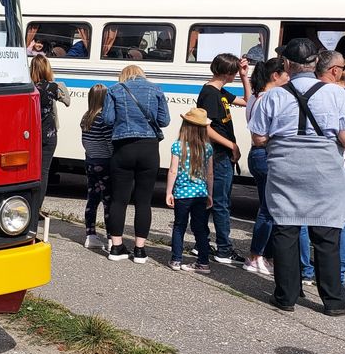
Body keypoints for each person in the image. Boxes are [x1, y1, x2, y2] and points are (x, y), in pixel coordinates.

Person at [248, 38, 345, 316]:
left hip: (286, 171)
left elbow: (259, 138)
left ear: (287, 63)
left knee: (285, 231)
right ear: (314, 63)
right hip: (325, 174)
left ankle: (286, 297)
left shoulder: (272, 96)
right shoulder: (336, 94)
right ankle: (334, 301)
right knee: (326, 236)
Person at [102, 64, 171, 262]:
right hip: (149, 149)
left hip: (123, 149)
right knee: (143, 201)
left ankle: (116, 247)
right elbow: (164, 120)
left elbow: (108, 120)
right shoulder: (156, 89)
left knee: (119, 200)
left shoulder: (115, 90)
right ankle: (140, 250)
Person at [196, 53, 251, 265]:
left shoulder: (219, 91)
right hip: (217, 154)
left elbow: (247, 101)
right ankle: (224, 249)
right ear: (227, 73)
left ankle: (202, 242)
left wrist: (246, 77)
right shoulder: (210, 93)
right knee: (220, 203)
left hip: (222, 155)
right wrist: (231, 145)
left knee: (214, 201)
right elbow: (205, 127)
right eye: (236, 73)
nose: (237, 76)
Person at [245, 57, 289, 275]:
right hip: (264, 154)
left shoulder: (255, 97)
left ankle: (263, 255)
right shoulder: (267, 98)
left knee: (268, 206)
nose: (289, 78)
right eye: (286, 74)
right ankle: (255, 255)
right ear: (275, 76)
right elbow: (259, 136)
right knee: (268, 209)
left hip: (258, 156)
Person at [165, 107, 214, 272]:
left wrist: (168, 192)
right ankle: (203, 262)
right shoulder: (207, 148)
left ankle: (176, 260)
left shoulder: (178, 146)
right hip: (200, 194)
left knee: (179, 226)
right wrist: (210, 194)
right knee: (200, 227)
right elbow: (210, 173)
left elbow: (173, 171)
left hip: (182, 194)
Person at [31, 55, 70, 216]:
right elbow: (67, 101)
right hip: (49, 135)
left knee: (29, 172)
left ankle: (26, 207)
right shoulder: (54, 87)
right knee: (44, 172)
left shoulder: (28, 87)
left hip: (31, 135)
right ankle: (37, 209)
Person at [80, 83, 113, 249]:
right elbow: (109, 143)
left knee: (92, 198)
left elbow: (84, 141)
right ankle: (110, 237)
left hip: (90, 161)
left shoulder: (86, 117)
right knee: (108, 201)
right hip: (104, 162)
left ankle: (90, 235)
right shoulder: (103, 119)